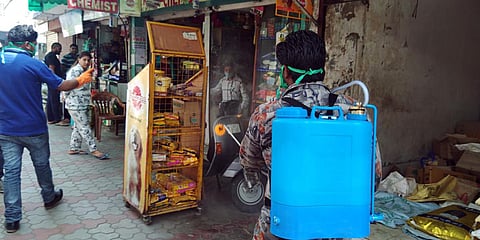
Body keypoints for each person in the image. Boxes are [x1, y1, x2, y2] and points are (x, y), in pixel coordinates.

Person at [239, 30, 382, 240]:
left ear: (285, 72)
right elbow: (374, 177)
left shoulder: (268, 115)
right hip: (340, 226)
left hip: (282, 225)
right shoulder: (354, 112)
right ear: (322, 70)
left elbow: (249, 162)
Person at [0, 25, 94, 233]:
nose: (34, 46)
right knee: (41, 165)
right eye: (33, 42)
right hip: (33, 128)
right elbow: (60, 85)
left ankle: (12, 219)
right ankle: (49, 197)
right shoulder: (33, 64)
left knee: (12, 173)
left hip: (5, 129)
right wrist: (81, 79)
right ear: (27, 44)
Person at [64, 51, 110, 160]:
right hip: (75, 104)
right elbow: (67, 86)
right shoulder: (75, 71)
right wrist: (66, 99)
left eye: (88, 60)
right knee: (85, 127)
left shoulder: (86, 71)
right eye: (84, 60)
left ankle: (74, 148)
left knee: (78, 126)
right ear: (79, 59)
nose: (86, 62)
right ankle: (93, 149)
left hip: (82, 103)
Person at [45, 42, 68, 125]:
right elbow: (52, 69)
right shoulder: (51, 56)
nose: (60, 50)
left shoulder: (52, 56)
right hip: (53, 81)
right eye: (59, 48)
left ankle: (51, 118)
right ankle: (55, 118)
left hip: (52, 80)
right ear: (55, 48)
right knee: (54, 100)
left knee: (51, 99)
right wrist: (55, 81)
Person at [58, 44, 79, 126]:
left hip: (77, 81)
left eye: (75, 49)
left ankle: (72, 118)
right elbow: (62, 68)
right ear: (70, 49)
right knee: (67, 99)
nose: (74, 50)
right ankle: (67, 118)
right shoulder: (66, 57)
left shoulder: (79, 57)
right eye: (72, 48)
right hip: (67, 79)